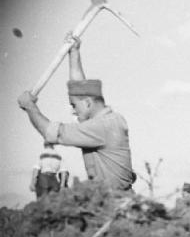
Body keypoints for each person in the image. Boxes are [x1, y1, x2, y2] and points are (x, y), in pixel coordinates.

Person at [18, 35, 136, 191]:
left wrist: (29, 107)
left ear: (87, 103)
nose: (73, 111)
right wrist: (74, 53)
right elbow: (80, 88)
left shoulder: (100, 127)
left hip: (114, 203)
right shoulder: (111, 120)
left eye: (74, 106)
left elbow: (50, 133)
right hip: (114, 199)